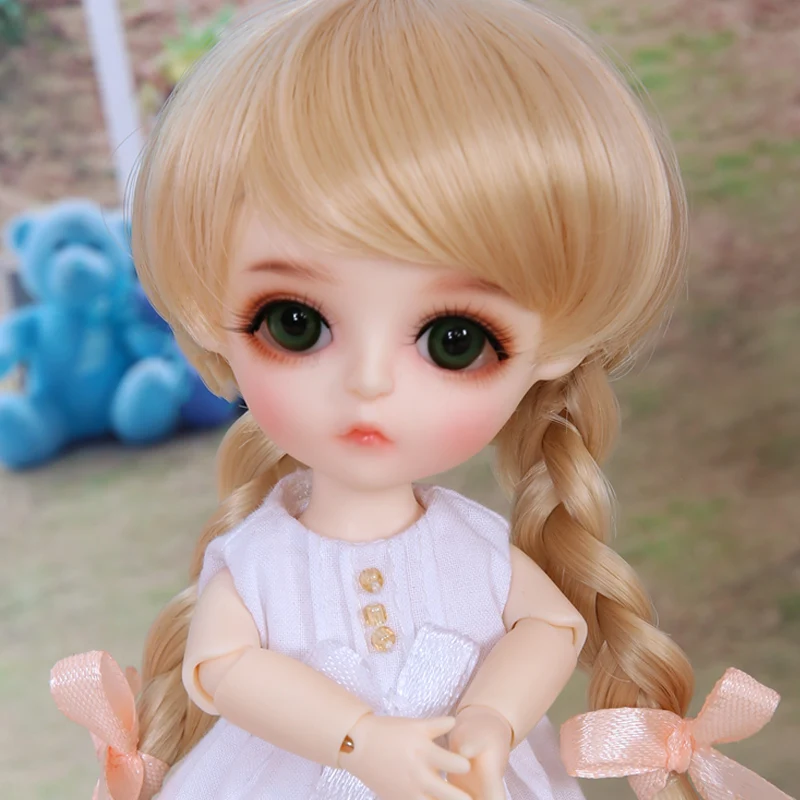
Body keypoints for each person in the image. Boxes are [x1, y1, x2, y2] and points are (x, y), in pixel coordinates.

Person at [49, 2, 792, 799]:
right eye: (295, 324)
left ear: (557, 344)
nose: (369, 382)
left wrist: (493, 720)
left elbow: (549, 627)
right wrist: (358, 740)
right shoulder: (262, 561)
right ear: (210, 315)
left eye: (453, 341)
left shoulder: (472, 548)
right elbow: (223, 667)